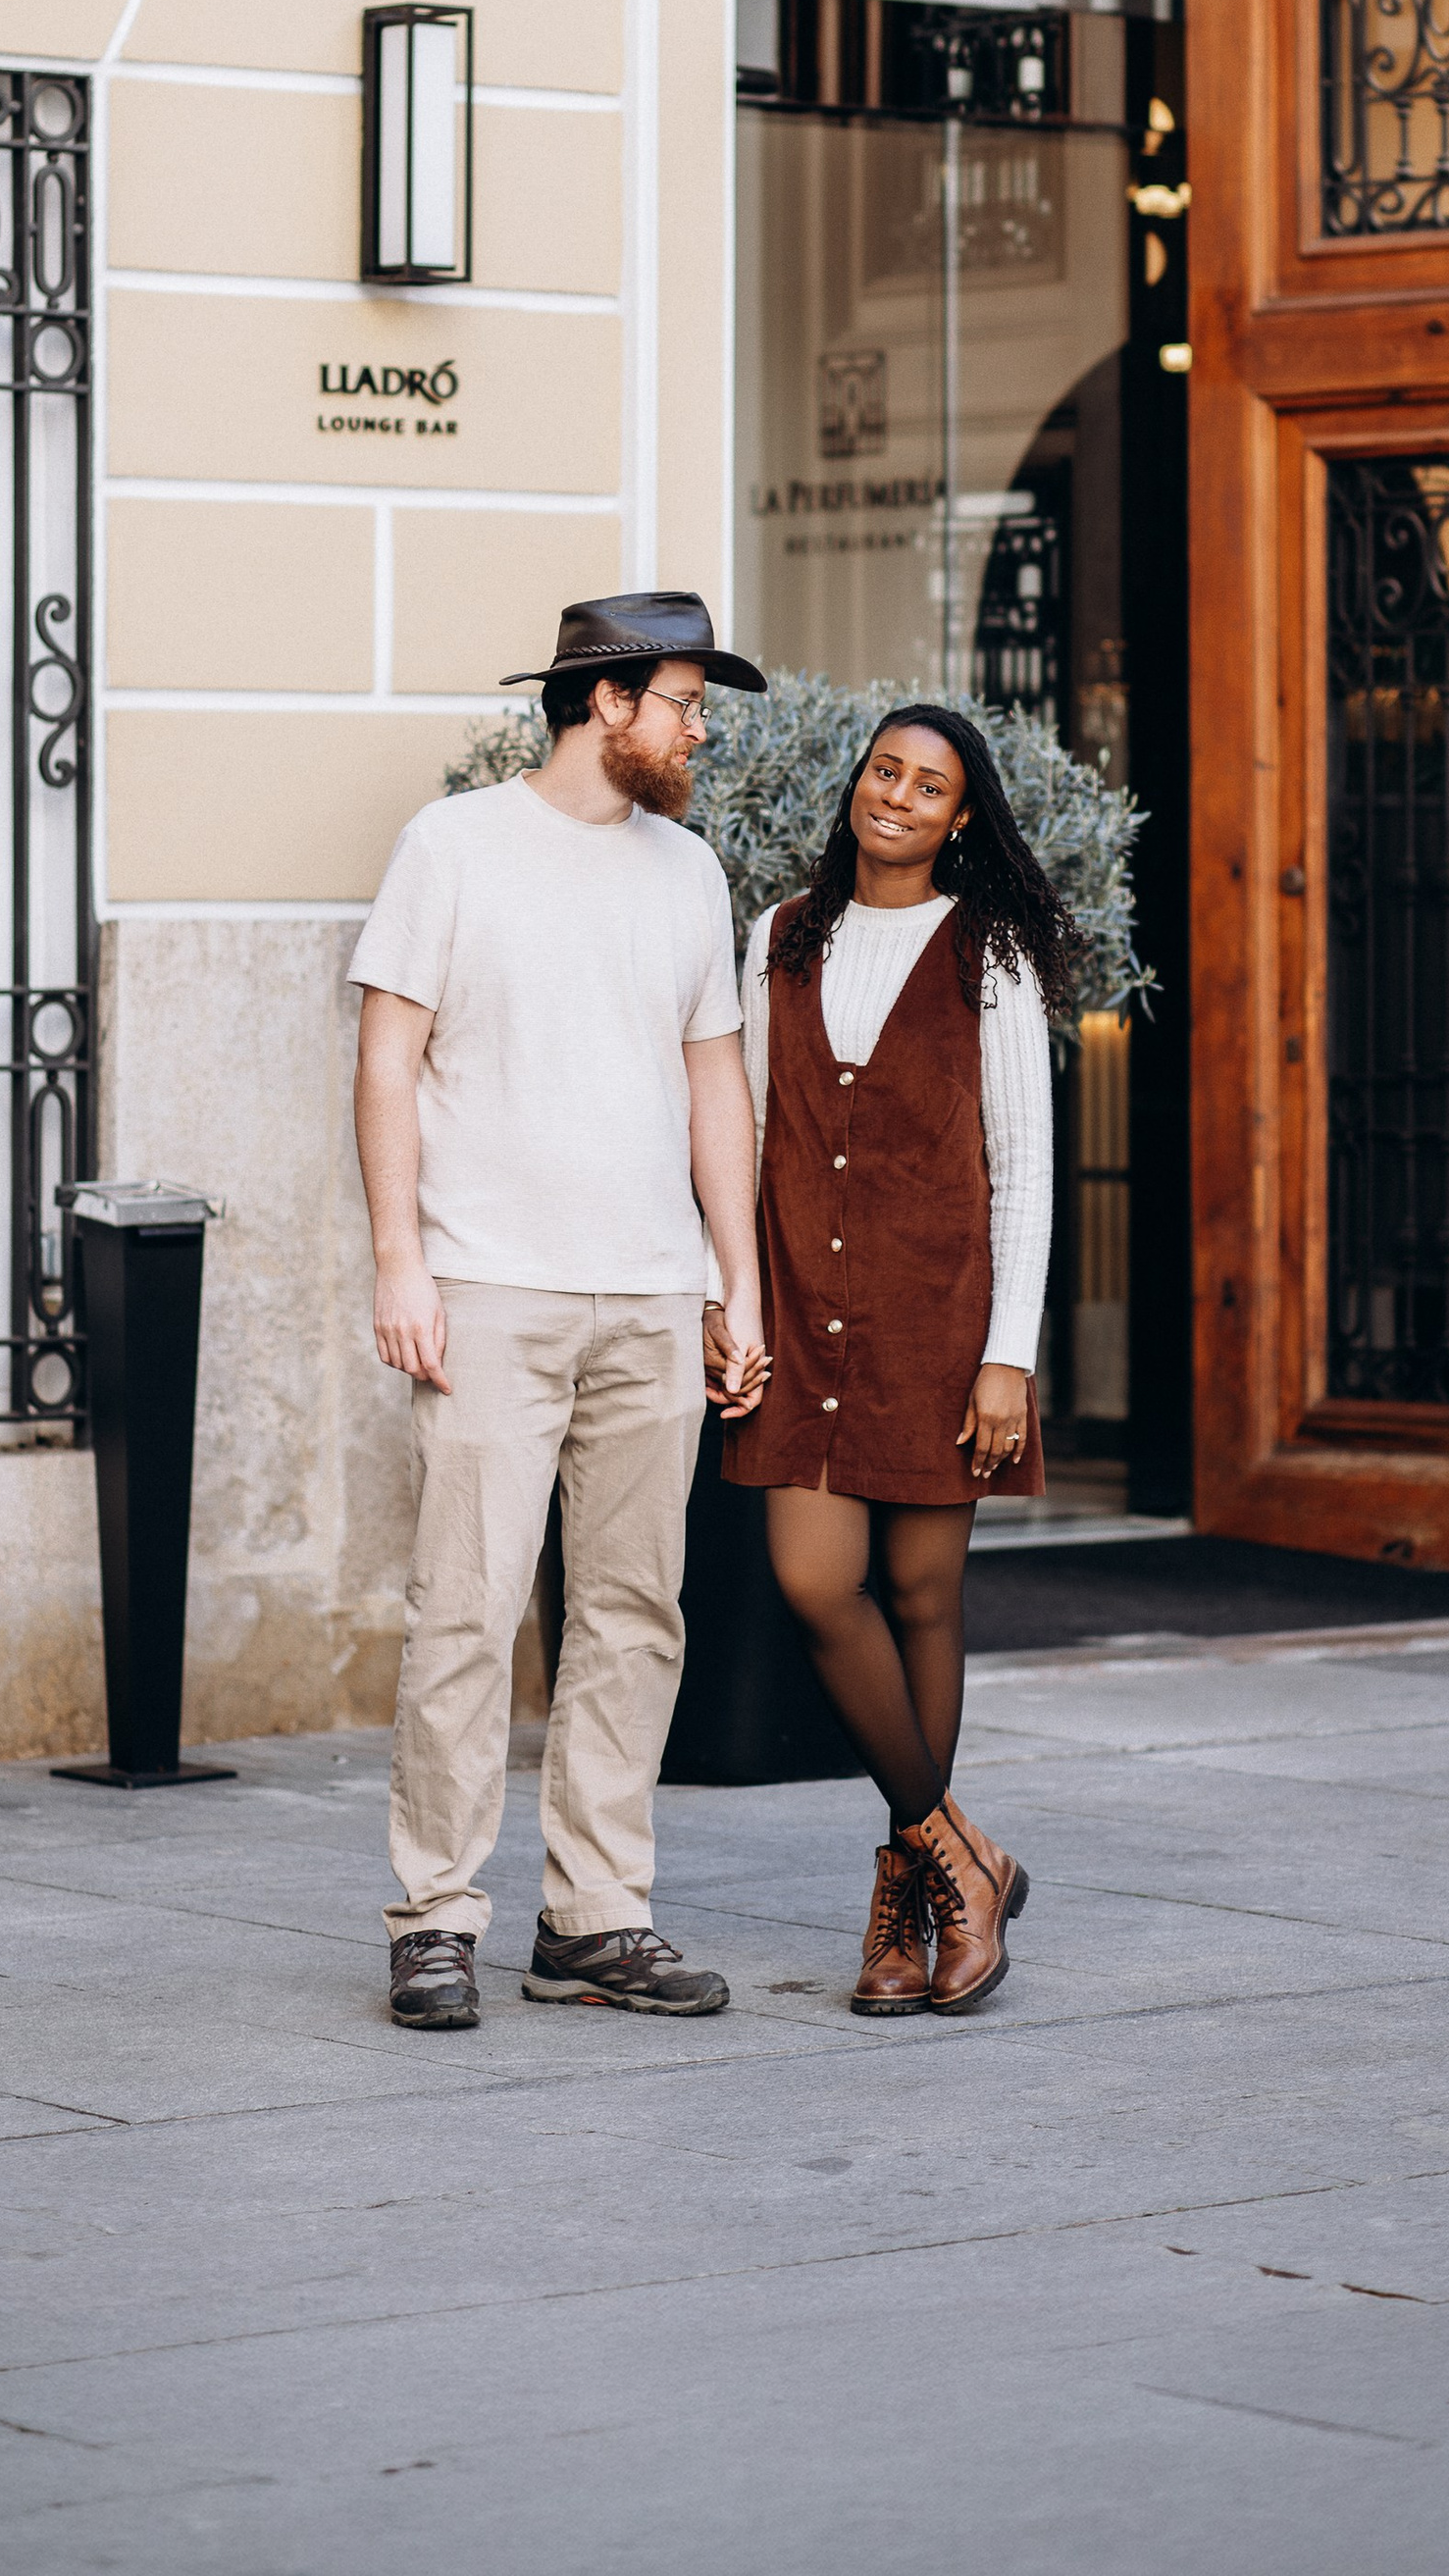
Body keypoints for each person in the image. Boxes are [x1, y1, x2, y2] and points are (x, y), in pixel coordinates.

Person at [349, 591, 770, 2033]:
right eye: (683, 703)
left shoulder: (688, 872)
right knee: (464, 1611)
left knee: (635, 1613)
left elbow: (717, 1082)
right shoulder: (453, 847)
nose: (699, 730)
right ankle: (435, 1919)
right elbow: (388, 1061)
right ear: (606, 705)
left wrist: (737, 1279)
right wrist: (400, 1262)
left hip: (652, 1291)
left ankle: (595, 1916)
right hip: (489, 1285)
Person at [720, 705, 1085, 2014]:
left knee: (925, 1599)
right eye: (885, 772)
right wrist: (737, 1308)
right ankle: (963, 1860)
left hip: (940, 1325)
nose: (898, 796)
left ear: (961, 817)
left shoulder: (991, 954)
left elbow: (1026, 1173)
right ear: (856, 786)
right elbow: (753, 1134)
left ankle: (901, 1909)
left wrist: (1008, 1361)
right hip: (806, 1311)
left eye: (929, 786)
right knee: (817, 1582)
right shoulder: (779, 936)